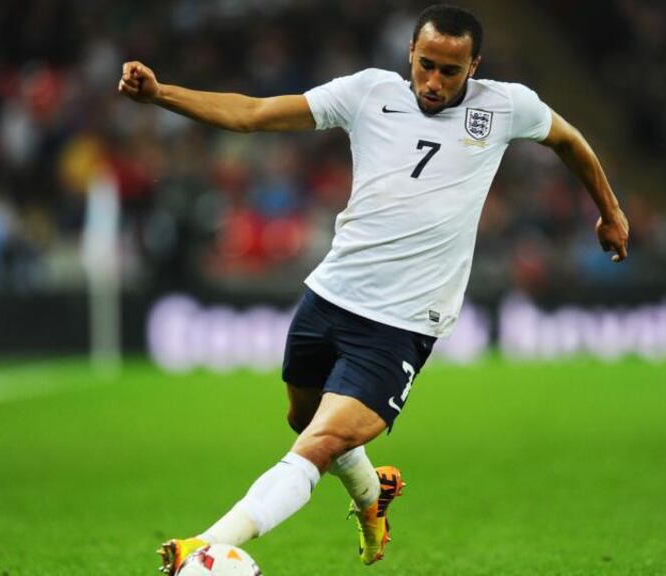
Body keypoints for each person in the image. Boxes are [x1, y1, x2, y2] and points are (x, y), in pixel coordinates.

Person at [119, 5, 629, 573]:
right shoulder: (367, 93)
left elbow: (570, 140)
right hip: (332, 294)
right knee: (303, 419)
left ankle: (206, 545)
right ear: (410, 53)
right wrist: (162, 94)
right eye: (426, 65)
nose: (433, 83)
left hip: (404, 323)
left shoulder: (507, 106)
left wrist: (609, 212)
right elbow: (255, 113)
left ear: (474, 67)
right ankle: (372, 496)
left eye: (450, 72)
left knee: (316, 444)